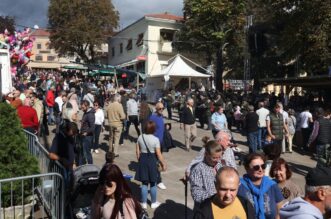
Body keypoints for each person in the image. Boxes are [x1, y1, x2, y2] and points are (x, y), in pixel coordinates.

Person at [238, 153, 284, 219]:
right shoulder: (239, 186)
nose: (260, 169)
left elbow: (280, 211)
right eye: (256, 167)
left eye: (263, 166)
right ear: (247, 168)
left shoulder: (272, 185)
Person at [135, 121, 167, 209]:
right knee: (153, 183)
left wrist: (140, 159)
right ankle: (153, 202)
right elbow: (159, 154)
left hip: (143, 159)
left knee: (144, 183)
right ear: (153, 129)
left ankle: (144, 203)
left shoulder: (140, 137)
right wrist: (163, 163)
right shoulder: (156, 139)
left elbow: (137, 151)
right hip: (152, 160)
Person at [190, 139, 225, 205]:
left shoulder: (221, 165)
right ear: (206, 154)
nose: (217, 160)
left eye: (219, 157)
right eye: (214, 158)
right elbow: (196, 193)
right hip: (206, 206)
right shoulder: (198, 169)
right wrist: (214, 196)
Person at [49, 121, 78, 186]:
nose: (73, 135)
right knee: (62, 187)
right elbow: (51, 155)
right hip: (62, 169)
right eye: (73, 133)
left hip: (70, 169)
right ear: (69, 130)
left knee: (69, 187)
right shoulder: (58, 138)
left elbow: (73, 151)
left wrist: (73, 163)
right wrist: (61, 159)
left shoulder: (71, 138)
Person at [148, 102, 167, 190]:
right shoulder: (153, 117)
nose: (162, 110)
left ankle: (154, 178)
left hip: (161, 142)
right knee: (157, 161)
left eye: (163, 108)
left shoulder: (161, 116)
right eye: (160, 109)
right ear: (156, 109)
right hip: (155, 143)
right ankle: (158, 181)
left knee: (156, 161)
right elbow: (148, 129)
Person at [80, 100, 95, 165]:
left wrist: (86, 133)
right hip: (84, 135)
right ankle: (85, 164)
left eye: (83, 108)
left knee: (87, 152)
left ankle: (90, 166)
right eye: (82, 107)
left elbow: (92, 127)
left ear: (87, 106)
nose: (82, 109)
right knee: (84, 152)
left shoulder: (90, 115)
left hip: (87, 137)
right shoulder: (86, 112)